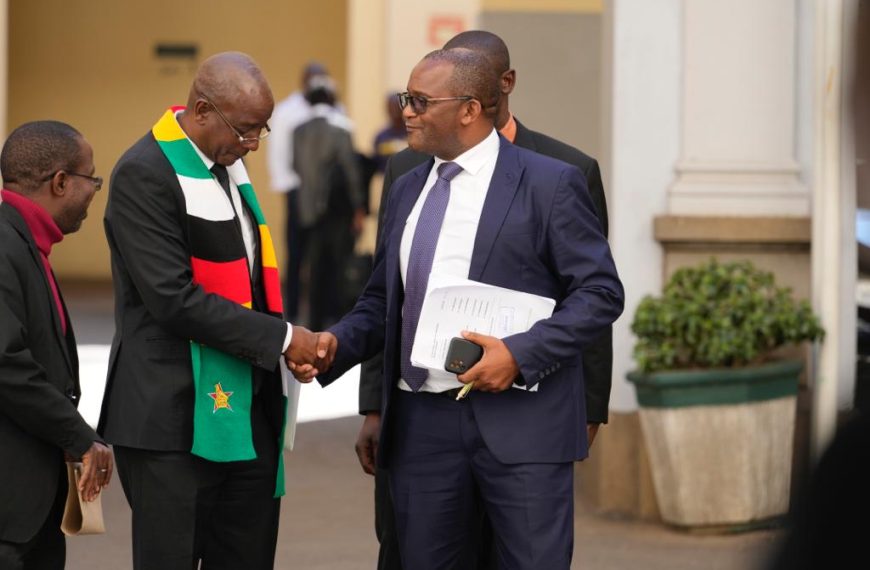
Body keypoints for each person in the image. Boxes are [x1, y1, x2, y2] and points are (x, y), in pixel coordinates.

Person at [294, 48, 624, 569]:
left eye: (420, 101)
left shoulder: (551, 182)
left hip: (522, 424)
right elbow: (383, 299)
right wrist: (338, 344)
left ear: (470, 110)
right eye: (407, 99)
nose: (406, 111)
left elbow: (601, 292)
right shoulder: (406, 188)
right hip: (423, 427)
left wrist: (518, 354)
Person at [97, 52, 321, 570]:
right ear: (201, 110)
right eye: (245, 130)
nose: (253, 145)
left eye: (260, 130)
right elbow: (172, 299)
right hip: (171, 419)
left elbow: (249, 283)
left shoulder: (227, 167)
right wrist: (285, 339)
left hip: (246, 411)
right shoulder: (144, 173)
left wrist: (283, 348)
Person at [0, 120, 113, 570]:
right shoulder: (5, 245)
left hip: (31, 500)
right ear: (61, 182)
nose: (94, 191)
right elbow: (7, 364)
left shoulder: (25, 243)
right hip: (11, 512)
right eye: (93, 179)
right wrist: (78, 435)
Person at [268, 61, 351, 324]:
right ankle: (291, 309)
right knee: (296, 253)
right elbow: (279, 153)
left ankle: (325, 310)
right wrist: (288, 187)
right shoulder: (286, 111)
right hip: (297, 191)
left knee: (326, 256)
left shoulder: (336, 109)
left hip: (331, 200)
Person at [293, 75, 366, 330]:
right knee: (339, 267)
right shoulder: (340, 129)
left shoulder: (298, 130)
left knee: (312, 268)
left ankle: (312, 321)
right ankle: (339, 323)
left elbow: (296, 167)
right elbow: (351, 172)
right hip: (337, 213)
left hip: (307, 210)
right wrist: (359, 207)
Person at [371, 92, 408, 175]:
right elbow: (376, 162)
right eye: (391, 107)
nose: (394, 111)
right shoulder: (381, 136)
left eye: (396, 107)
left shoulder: (412, 132)